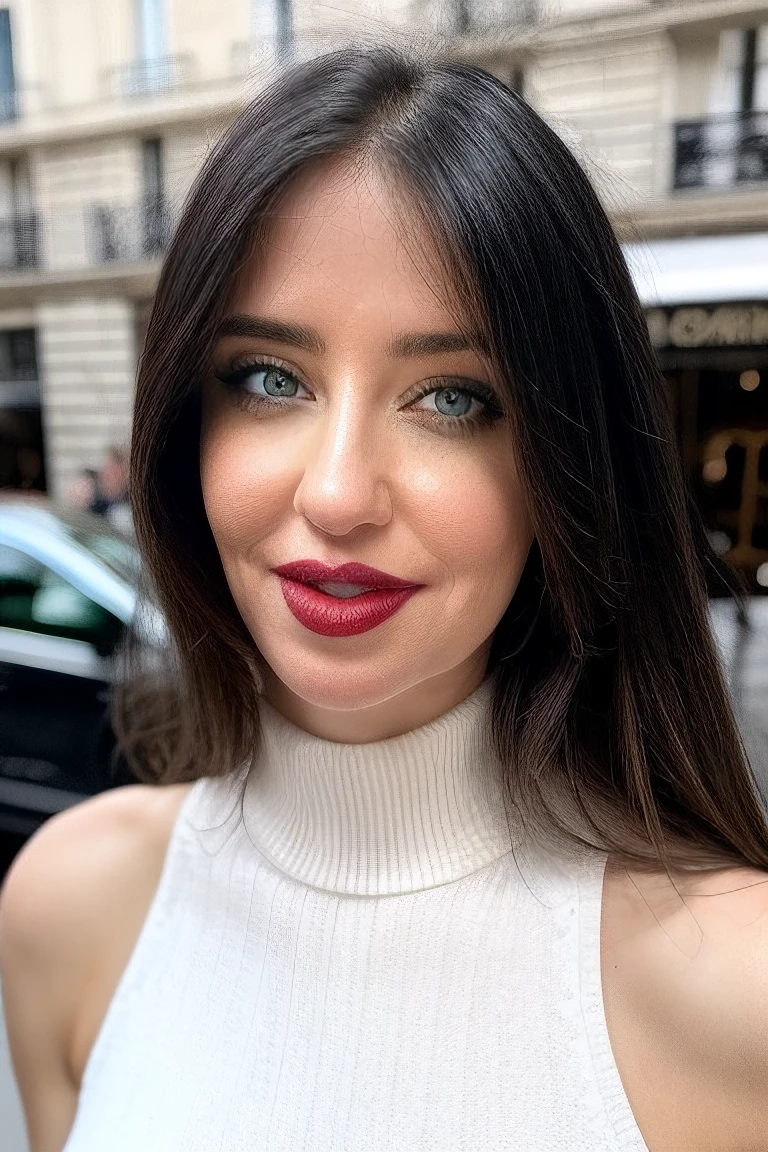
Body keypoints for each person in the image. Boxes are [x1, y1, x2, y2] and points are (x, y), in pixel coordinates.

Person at [1, 46, 767, 1152]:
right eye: (270, 379)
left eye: (453, 397)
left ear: (567, 470)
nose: (338, 492)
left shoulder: (733, 1003)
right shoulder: (69, 909)